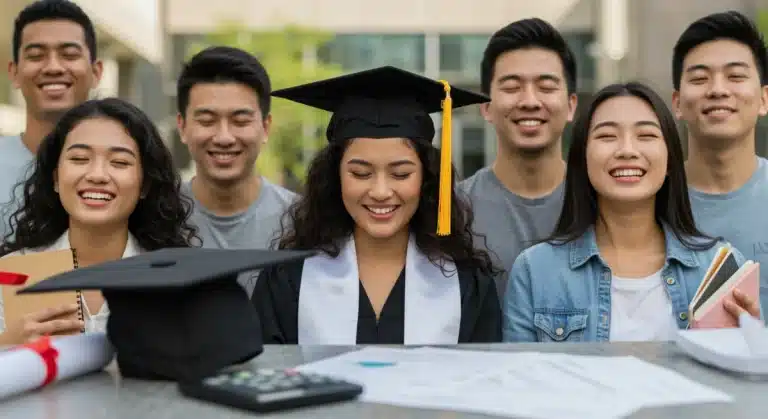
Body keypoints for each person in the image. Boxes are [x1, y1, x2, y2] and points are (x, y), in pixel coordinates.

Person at [252, 66, 502, 344]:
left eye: (400, 174)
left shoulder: (467, 283)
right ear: (334, 177)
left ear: (427, 178)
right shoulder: (287, 280)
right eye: (360, 173)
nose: (381, 192)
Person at [504, 82, 760, 343]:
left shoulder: (719, 268)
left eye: (646, 136)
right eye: (607, 136)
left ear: (671, 159)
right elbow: (522, 381)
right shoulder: (535, 271)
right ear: (582, 159)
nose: (627, 150)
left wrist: (748, 345)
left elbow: (737, 380)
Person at [0, 98, 199, 344]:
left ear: (145, 184)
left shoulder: (175, 278)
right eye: (80, 159)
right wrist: (6, 344)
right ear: (55, 178)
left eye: (119, 162)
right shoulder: (11, 273)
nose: (97, 175)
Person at [458, 18, 577, 299]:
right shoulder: (456, 210)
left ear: (571, 106)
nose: (530, 101)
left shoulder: (603, 203)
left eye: (546, 87)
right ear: (485, 106)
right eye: (511, 87)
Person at [176, 46, 296, 296]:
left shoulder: (301, 222)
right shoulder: (158, 217)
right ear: (182, 127)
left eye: (240, 121)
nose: (224, 137)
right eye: (207, 121)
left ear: (265, 127)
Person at [671, 11, 768, 318]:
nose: (717, 90)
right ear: (677, 103)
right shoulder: (644, 202)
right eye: (699, 78)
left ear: (764, 100)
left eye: (736, 76)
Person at [0, 0, 103, 242]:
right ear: (14, 72)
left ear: (96, 72)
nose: (53, 67)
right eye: (36, 55)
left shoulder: (126, 171)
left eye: (69, 55)